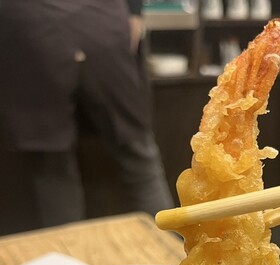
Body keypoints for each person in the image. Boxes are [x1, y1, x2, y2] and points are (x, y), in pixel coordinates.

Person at [0, 0, 174, 228]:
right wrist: (134, 13)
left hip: (30, 26)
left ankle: (69, 252)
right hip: (99, 22)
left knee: (53, 169)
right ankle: (173, 246)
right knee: (139, 156)